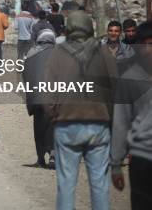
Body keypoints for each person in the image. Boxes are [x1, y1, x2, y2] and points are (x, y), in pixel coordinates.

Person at [45, 11, 116, 210]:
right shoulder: (103, 53)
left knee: (66, 185)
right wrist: (109, 117)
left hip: (66, 124)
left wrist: (55, 115)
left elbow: (48, 93)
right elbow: (116, 89)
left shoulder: (58, 53)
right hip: (99, 125)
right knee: (100, 185)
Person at [110, 21, 152, 209]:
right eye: (146, 44)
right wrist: (116, 163)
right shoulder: (129, 78)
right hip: (142, 160)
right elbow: (120, 123)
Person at [23, 29, 56, 168]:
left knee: (38, 127)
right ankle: (53, 155)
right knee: (52, 127)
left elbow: (26, 75)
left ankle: (40, 158)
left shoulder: (31, 53)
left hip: (36, 97)